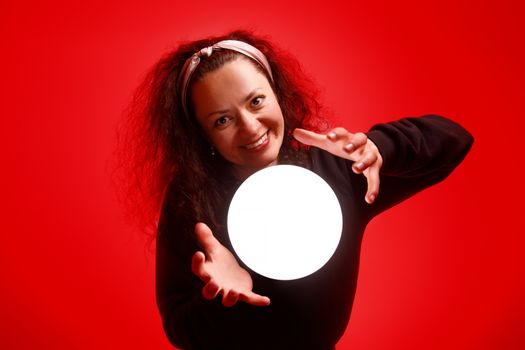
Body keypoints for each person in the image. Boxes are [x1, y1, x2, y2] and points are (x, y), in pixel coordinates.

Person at [118, 29, 473, 349]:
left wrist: (380, 148)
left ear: (278, 94)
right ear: (203, 135)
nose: (249, 127)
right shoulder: (191, 201)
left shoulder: (332, 172)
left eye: (256, 101)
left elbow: (454, 141)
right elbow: (179, 329)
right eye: (222, 120)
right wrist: (225, 296)